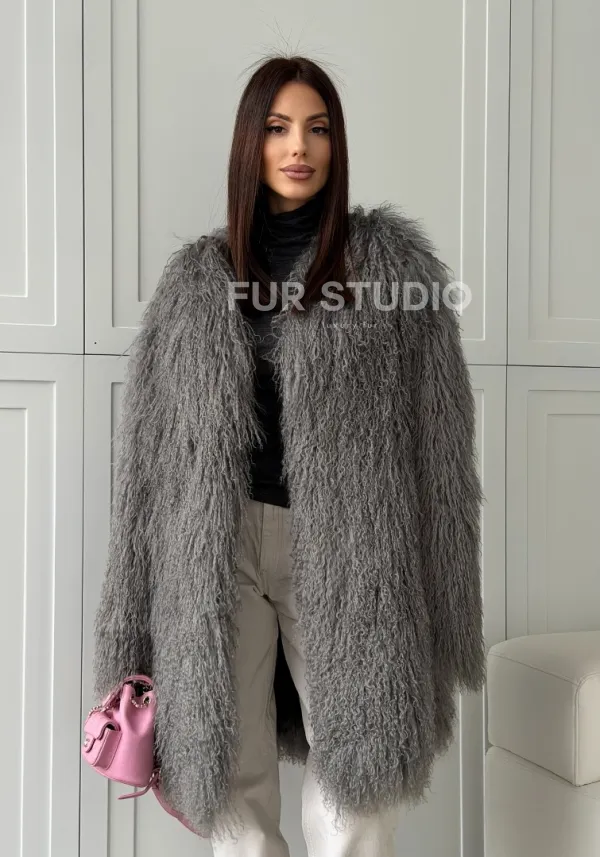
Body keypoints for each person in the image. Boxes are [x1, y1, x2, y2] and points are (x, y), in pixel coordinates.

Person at [92, 54, 487, 856]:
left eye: (318, 128)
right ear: (252, 144)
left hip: (347, 547)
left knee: (361, 782)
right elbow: (146, 467)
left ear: (338, 145)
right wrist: (130, 618)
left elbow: (442, 448)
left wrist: (447, 602)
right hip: (218, 547)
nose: (298, 146)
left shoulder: (392, 272)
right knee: (227, 778)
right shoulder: (195, 282)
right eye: (277, 129)